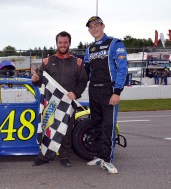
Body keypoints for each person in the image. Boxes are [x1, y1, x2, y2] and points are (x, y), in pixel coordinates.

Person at [31, 31, 88, 167]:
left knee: (66, 131)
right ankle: (44, 156)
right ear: (56, 43)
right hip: (51, 103)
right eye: (60, 42)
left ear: (69, 43)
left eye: (65, 42)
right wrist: (35, 79)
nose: (62, 45)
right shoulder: (48, 61)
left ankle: (65, 157)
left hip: (68, 103)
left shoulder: (77, 63)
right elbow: (40, 81)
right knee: (48, 128)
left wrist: (76, 93)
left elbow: (83, 81)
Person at [84, 16, 128, 174]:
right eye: (91, 26)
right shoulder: (89, 49)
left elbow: (123, 69)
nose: (94, 28)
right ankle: (98, 155)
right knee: (95, 124)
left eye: (96, 25)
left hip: (109, 91)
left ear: (103, 26)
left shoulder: (115, 43)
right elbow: (85, 71)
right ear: (88, 29)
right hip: (93, 91)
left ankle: (108, 159)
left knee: (108, 127)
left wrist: (117, 92)